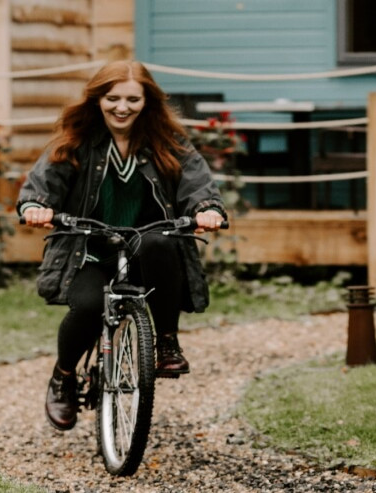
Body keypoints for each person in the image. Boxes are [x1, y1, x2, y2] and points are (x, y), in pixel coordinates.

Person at [16, 60, 228, 431]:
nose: (122, 107)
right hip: (91, 248)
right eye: (112, 98)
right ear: (98, 100)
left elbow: (197, 185)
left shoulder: (169, 143)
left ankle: (166, 343)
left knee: (159, 244)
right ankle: (64, 377)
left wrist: (207, 208)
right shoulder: (77, 141)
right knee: (88, 306)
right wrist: (34, 205)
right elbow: (44, 181)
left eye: (132, 99)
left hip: (147, 250)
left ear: (147, 102)